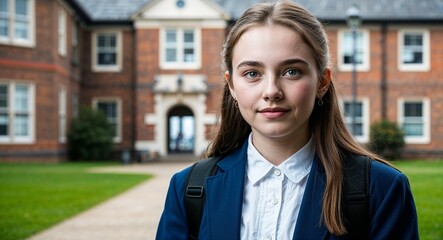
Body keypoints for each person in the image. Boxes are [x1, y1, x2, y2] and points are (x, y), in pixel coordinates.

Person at [156, 1, 419, 239]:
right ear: (232, 86)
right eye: (252, 73)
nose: (271, 91)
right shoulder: (188, 190)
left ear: (323, 82)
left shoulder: (382, 190)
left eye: (292, 71)